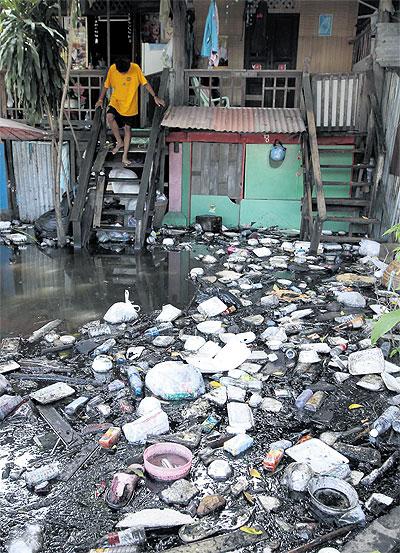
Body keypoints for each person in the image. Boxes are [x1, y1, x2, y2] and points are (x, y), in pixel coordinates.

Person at [95, 58, 165, 167]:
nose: (122, 74)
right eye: (120, 72)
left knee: (127, 129)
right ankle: (119, 142)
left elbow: (145, 83)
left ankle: (124, 156)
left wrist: (155, 96)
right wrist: (100, 99)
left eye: (124, 72)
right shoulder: (113, 69)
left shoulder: (135, 68)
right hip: (116, 102)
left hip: (130, 105)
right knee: (109, 117)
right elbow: (106, 85)